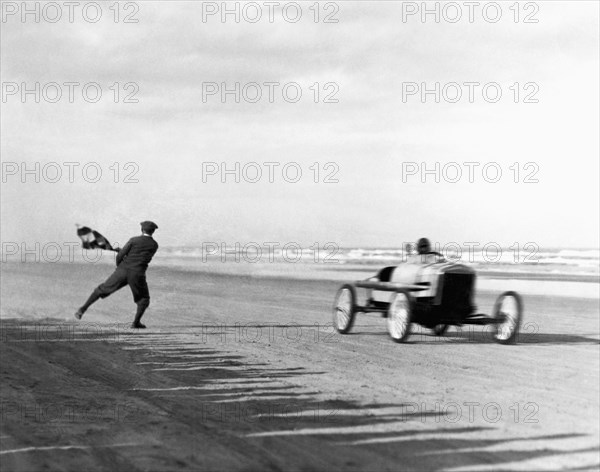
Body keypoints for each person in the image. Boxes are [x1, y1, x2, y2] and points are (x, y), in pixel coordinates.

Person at [74, 221, 159, 328]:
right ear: (153, 231)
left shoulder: (133, 240)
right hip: (137, 274)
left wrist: (119, 267)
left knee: (102, 289)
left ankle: (82, 309)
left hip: (122, 271)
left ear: (142, 230)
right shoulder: (154, 245)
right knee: (143, 299)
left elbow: (121, 256)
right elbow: (140, 257)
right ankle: (136, 323)